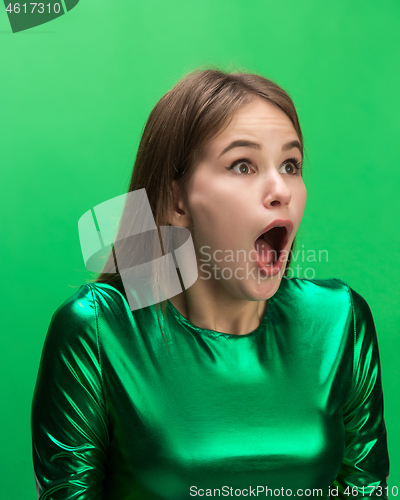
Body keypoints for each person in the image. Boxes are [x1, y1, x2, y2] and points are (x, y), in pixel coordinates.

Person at [31, 67, 390, 500]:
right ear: (177, 198)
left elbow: (365, 489)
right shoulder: (98, 329)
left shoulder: (338, 320)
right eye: (243, 165)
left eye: (290, 164)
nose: (282, 190)